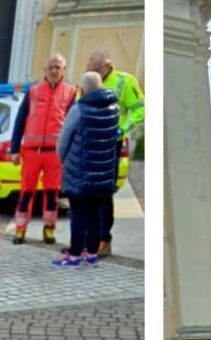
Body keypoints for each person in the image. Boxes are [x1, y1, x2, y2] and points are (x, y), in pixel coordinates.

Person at [54, 70, 120, 268]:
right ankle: (91, 255)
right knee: (95, 216)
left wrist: (63, 161)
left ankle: (74, 256)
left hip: (79, 173)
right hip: (103, 175)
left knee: (78, 216)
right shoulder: (114, 108)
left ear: (82, 89)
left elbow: (63, 140)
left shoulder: (78, 110)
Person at [9, 53, 76, 246]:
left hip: (55, 154)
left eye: (58, 67)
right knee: (26, 193)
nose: (54, 70)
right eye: (51, 67)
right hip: (31, 152)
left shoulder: (71, 93)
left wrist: (70, 153)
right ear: (45, 70)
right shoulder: (33, 91)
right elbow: (20, 121)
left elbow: (73, 125)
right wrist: (14, 149)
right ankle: (20, 229)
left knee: (51, 194)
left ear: (64, 69)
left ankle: (49, 229)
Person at [86, 50, 144, 257]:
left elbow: (140, 109)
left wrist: (123, 128)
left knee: (103, 192)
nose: (90, 74)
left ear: (107, 67)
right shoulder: (88, 82)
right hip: (88, 144)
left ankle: (104, 239)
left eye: (94, 71)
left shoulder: (125, 81)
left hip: (111, 144)